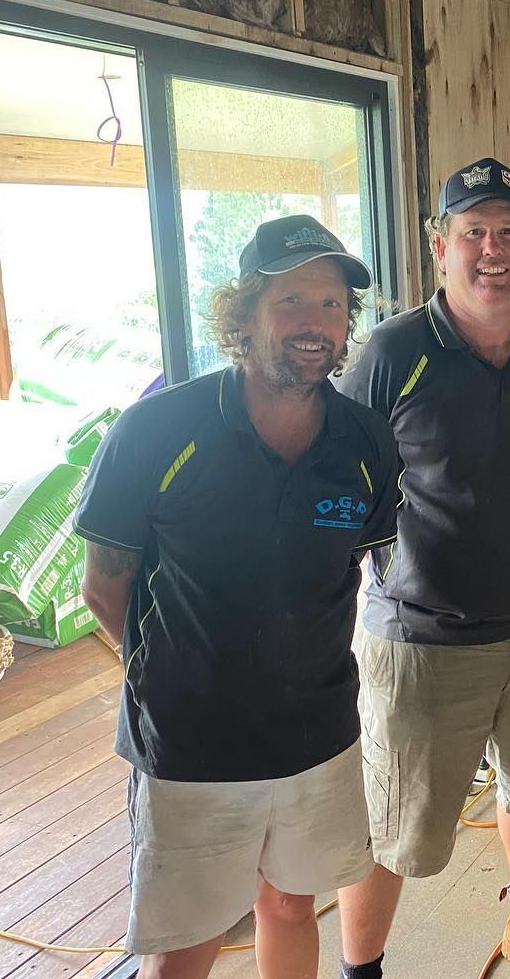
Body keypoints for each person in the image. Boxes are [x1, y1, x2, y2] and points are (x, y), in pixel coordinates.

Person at [76, 214, 401, 979]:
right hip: (192, 743)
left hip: (318, 735)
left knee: (291, 904)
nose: (314, 324)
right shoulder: (157, 430)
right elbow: (104, 586)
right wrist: (178, 678)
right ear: (246, 312)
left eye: (330, 305)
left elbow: (346, 569)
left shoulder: (365, 442)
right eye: (292, 301)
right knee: (187, 937)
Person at [334, 159, 510, 979]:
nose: (491, 250)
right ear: (440, 247)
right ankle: (362, 972)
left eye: (508, 232)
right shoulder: (392, 353)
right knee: (398, 826)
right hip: (421, 636)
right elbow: (348, 483)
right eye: (472, 233)